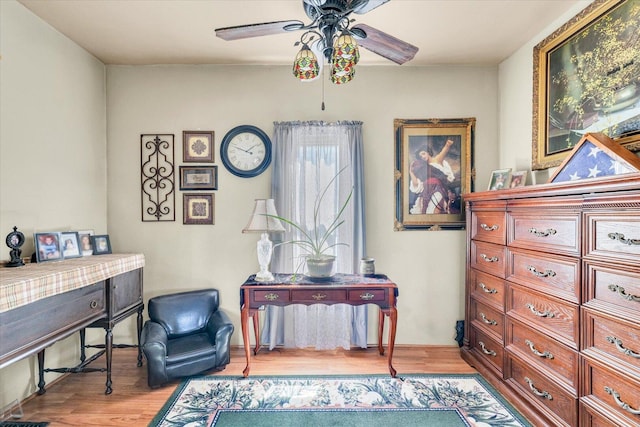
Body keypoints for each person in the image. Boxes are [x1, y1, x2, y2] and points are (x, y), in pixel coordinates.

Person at [409, 139, 456, 214]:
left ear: (428, 152)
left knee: (432, 211)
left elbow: (443, 152)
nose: (422, 157)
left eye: (423, 154)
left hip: (438, 189)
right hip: (426, 191)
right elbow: (416, 183)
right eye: (420, 156)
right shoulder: (422, 168)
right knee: (423, 212)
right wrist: (411, 172)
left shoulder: (436, 160)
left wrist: (448, 144)